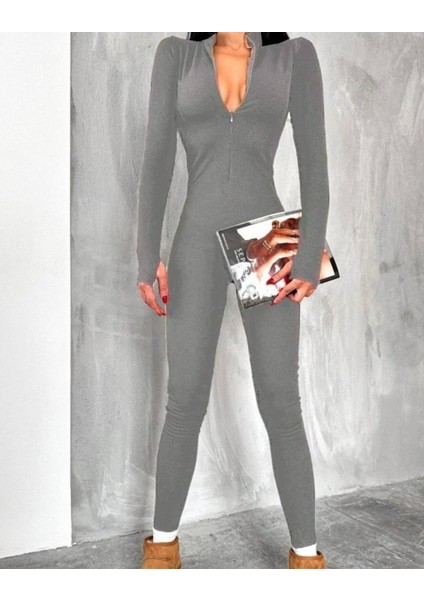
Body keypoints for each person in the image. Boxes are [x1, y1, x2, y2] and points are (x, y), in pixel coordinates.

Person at [136, 32, 330, 569]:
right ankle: (163, 546)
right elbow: (156, 160)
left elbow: (314, 161)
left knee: (280, 400)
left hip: (267, 245)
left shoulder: (294, 57)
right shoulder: (175, 56)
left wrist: (308, 253)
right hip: (195, 246)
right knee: (185, 398)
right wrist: (146, 256)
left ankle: (306, 556)